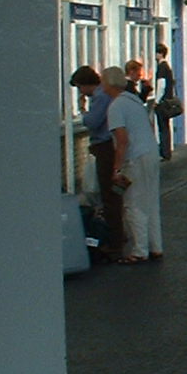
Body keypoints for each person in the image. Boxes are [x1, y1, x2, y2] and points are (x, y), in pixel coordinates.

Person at [101, 65, 162, 264]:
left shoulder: (116, 106)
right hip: (151, 152)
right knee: (151, 201)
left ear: (108, 84)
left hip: (135, 158)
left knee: (133, 204)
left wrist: (117, 169)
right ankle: (155, 246)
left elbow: (122, 140)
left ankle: (139, 250)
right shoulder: (134, 100)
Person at [71, 64, 124, 261]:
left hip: (105, 146)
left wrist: (83, 111)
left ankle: (115, 241)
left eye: (79, 87)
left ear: (85, 84)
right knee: (109, 194)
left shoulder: (100, 97)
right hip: (106, 145)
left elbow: (92, 122)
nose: (80, 91)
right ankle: (116, 237)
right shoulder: (103, 96)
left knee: (108, 194)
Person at [153, 43, 178, 160]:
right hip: (167, 100)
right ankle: (166, 151)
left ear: (160, 53)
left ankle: (164, 152)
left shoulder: (162, 67)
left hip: (163, 102)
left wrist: (157, 100)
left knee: (162, 127)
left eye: (156, 53)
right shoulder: (167, 66)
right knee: (165, 127)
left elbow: (161, 85)